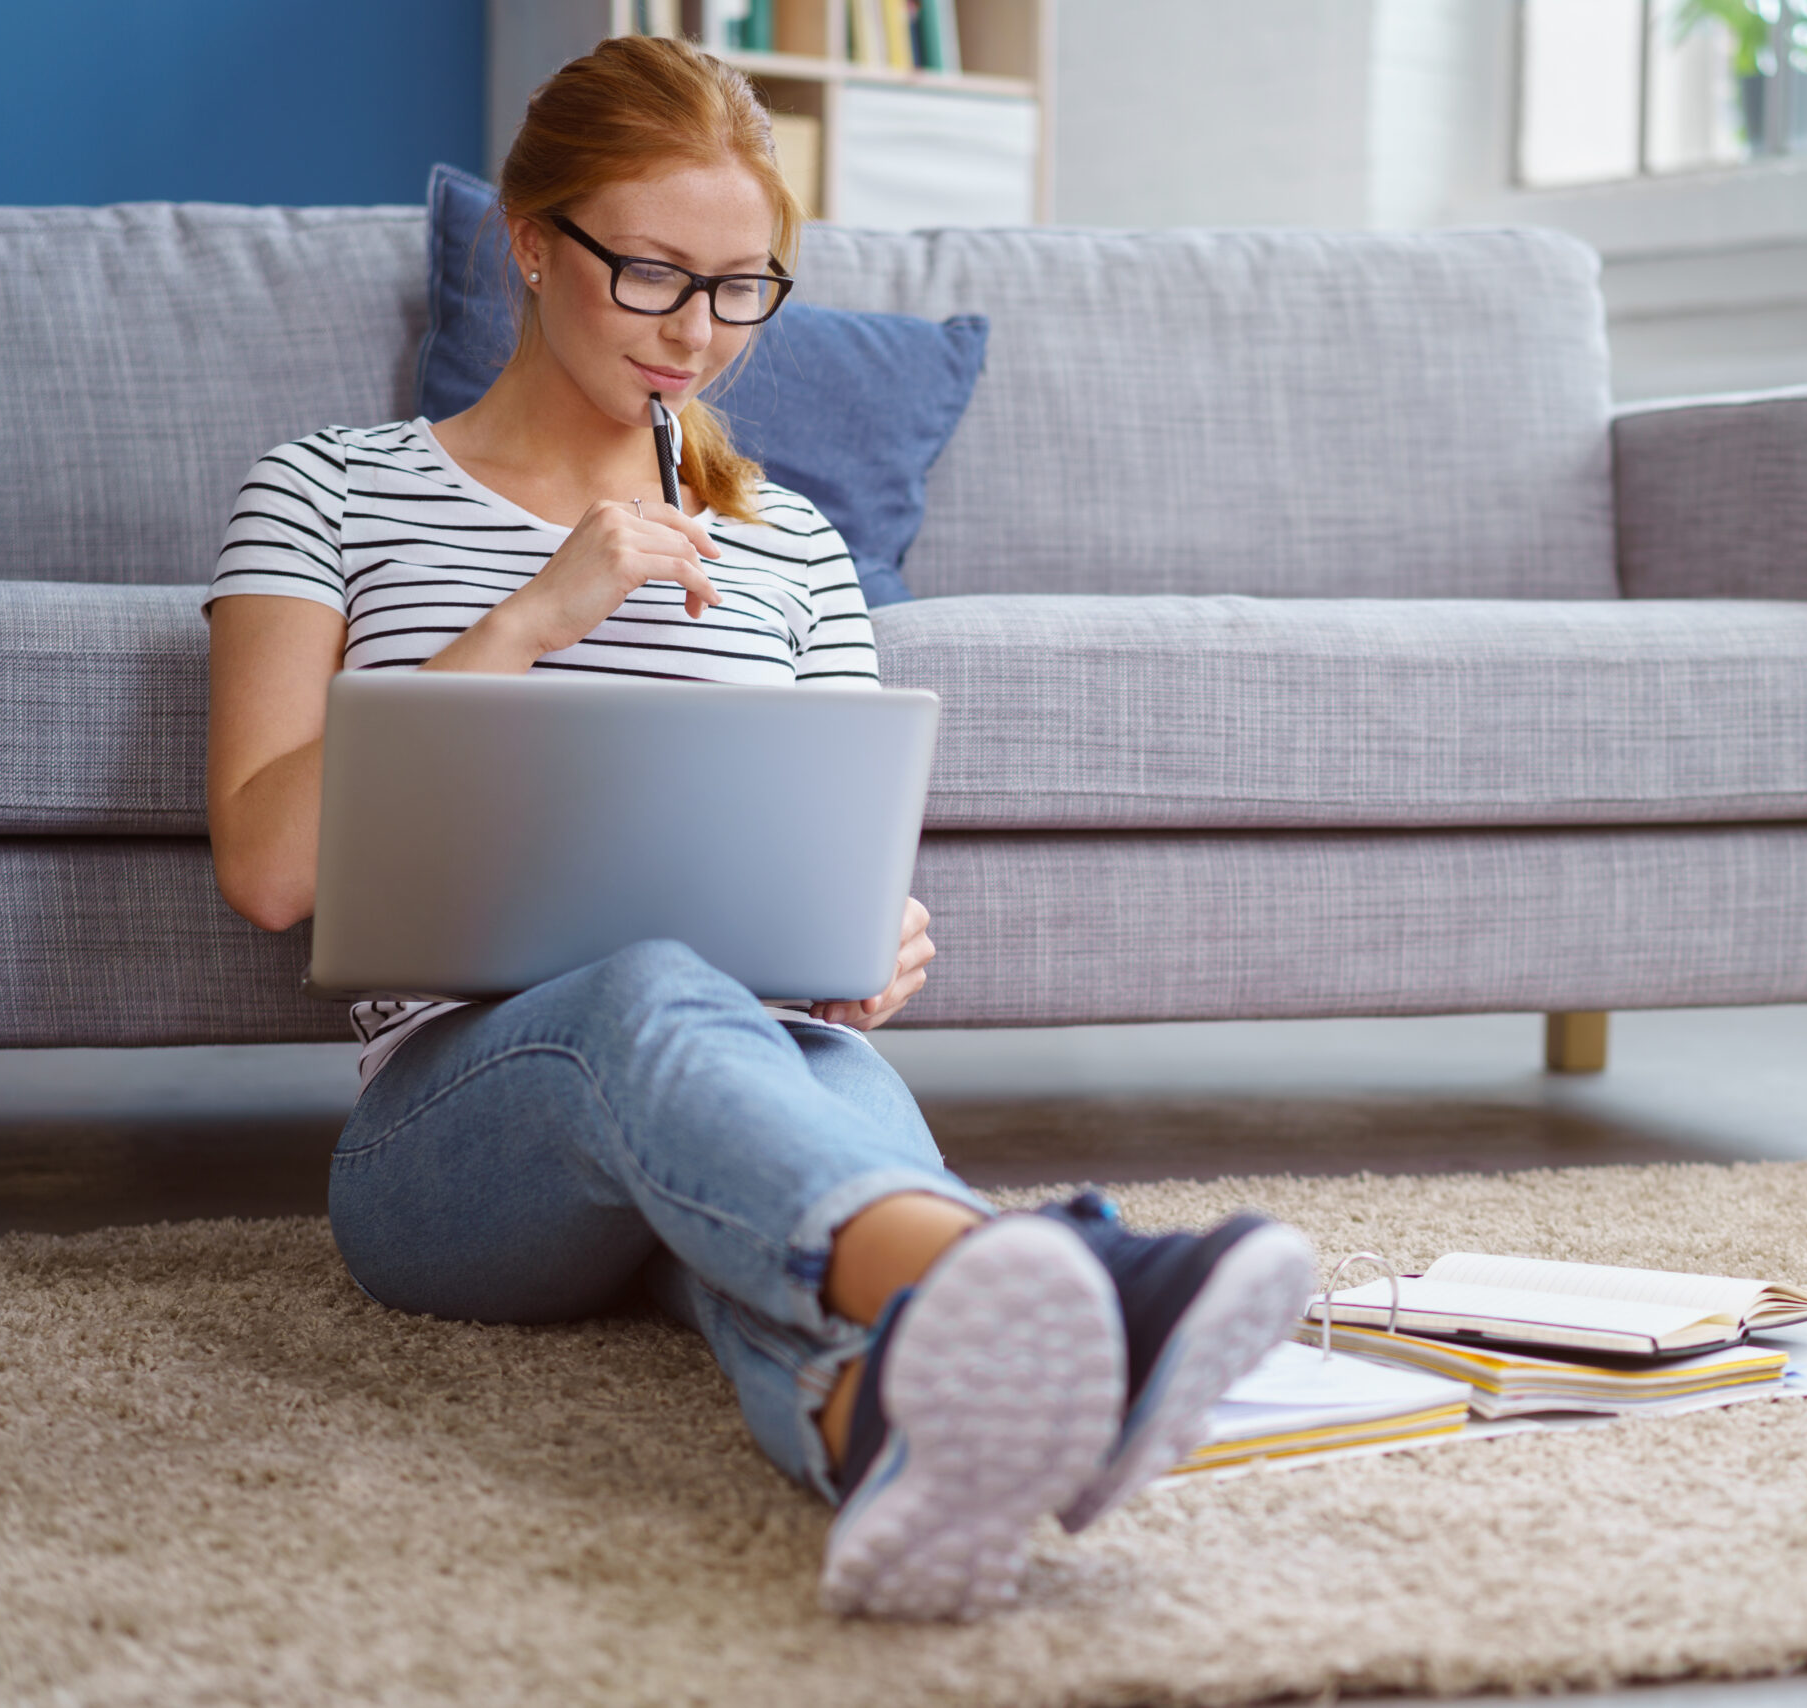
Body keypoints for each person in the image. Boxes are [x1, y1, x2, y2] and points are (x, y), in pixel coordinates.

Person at [202, 34, 1315, 1621]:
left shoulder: (791, 543)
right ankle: (1037, 1279)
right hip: (449, 1149)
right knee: (647, 990)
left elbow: (835, 851)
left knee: (821, 1078)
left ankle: (887, 1435)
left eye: (743, 291)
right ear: (530, 239)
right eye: (655, 278)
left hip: (734, 1091)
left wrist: (862, 949)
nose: (700, 337)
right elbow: (266, 868)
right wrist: (530, 618)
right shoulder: (324, 490)